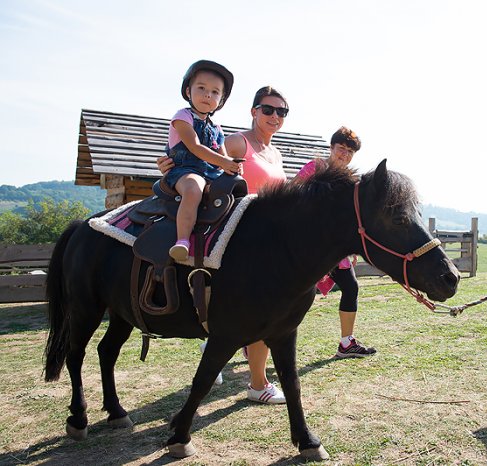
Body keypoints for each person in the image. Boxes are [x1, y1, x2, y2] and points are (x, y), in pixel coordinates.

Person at [158, 86, 289, 404]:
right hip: (238, 236)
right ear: (254, 111)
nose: (274, 116)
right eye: (267, 109)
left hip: (268, 241)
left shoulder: (276, 154)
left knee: (265, 313)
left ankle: (231, 360)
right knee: (262, 313)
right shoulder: (236, 142)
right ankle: (258, 383)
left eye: (281, 112)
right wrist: (171, 168)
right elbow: (209, 174)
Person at [295, 127, 377, 358]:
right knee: (297, 296)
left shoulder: (350, 180)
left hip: (336, 249)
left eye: (350, 151)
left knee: (351, 287)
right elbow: (294, 195)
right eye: (341, 148)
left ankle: (346, 342)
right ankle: (256, 340)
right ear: (331, 148)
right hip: (309, 245)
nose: (345, 154)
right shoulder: (315, 168)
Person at [163, 60, 240, 262]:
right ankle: (182, 240)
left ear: (221, 99)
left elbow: (223, 155)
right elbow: (195, 147)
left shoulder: (217, 126)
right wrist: (224, 162)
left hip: (211, 173)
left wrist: (232, 165)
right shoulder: (182, 117)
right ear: (188, 92)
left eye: (215, 92)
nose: (208, 94)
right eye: (202, 88)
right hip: (185, 170)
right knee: (193, 189)